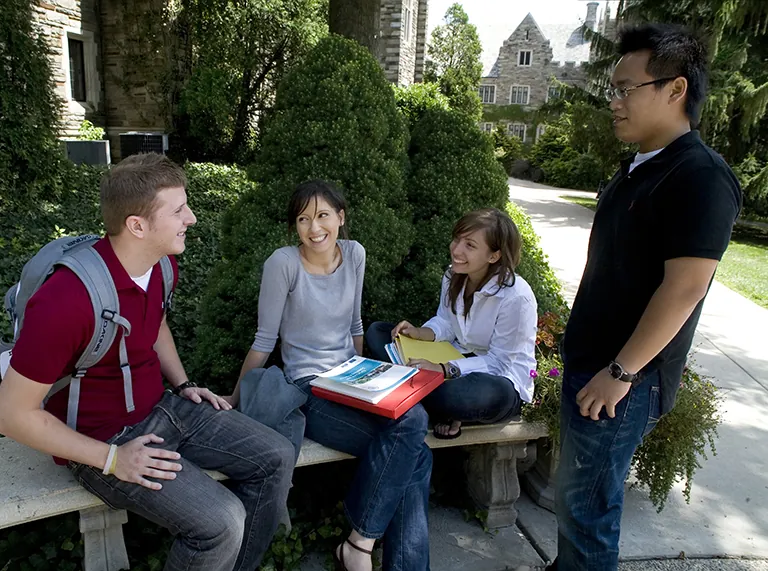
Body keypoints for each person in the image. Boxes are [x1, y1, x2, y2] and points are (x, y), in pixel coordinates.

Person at [0, 153, 295, 571]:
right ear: (137, 225)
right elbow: (10, 416)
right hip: (101, 442)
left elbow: (155, 326)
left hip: (162, 409)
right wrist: (113, 460)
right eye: (178, 210)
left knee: (276, 456)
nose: (191, 218)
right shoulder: (64, 301)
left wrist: (184, 384)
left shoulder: (162, 265)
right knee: (221, 522)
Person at [549, 24, 742, 570]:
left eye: (626, 88)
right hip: (594, 368)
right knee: (575, 499)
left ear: (674, 90)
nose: (614, 102)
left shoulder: (700, 176)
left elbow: (684, 290)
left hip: (623, 381)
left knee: (589, 509)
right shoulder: (639, 168)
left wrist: (622, 372)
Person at [229, 180, 432, 571]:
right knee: (415, 450)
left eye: (322, 215)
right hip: (310, 388)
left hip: (352, 378)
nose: (313, 227)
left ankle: (358, 544)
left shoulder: (354, 254)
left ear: (340, 218)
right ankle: (363, 547)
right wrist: (234, 400)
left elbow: (356, 324)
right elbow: (264, 340)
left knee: (413, 426)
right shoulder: (283, 263)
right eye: (303, 219)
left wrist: (361, 374)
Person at [366, 208, 538, 439]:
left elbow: (500, 363)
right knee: (380, 333)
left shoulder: (516, 297)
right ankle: (431, 397)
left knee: (462, 397)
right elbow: (447, 323)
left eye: (470, 245)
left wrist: (445, 369)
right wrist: (419, 333)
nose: (456, 250)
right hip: (452, 358)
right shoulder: (453, 276)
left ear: (493, 256)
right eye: (457, 239)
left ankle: (422, 394)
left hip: (498, 381)